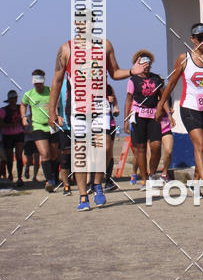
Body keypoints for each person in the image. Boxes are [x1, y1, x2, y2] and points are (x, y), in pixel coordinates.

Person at [48, 38, 143, 211]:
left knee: (105, 147)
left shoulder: (105, 45)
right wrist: (52, 110)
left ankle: (97, 183)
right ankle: (83, 195)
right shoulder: (66, 49)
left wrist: (131, 71)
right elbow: (57, 80)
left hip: (100, 106)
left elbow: (114, 72)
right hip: (77, 108)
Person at [155, 24, 203, 187]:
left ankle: (195, 182)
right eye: (200, 38)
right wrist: (160, 106)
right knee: (200, 144)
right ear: (192, 39)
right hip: (190, 108)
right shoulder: (184, 58)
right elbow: (171, 84)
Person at [123, 52, 164, 187]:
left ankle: (152, 173)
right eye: (144, 64)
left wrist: (167, 113)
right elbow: (128, 99)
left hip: (153, 115)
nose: (146, 66)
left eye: (148, 64)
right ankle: (144, 178)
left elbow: (162, 97)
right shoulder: (133, 80)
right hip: (138, 115)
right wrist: (125, 120)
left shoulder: (156, 78)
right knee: (140, 148)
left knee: (156, 145)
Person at [21, 71, 59, 193]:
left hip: (52, 126)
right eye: (36, 83)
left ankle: (54, 176)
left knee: (54, 154)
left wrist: (58, 115)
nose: (38, 85)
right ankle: (49, 181)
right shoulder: (29, 94)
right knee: (44, 153)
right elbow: (23, 105)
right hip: (38, 126)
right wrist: (23, 117)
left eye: (40, 83)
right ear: (33, 82)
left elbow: (58, 103)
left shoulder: (50, 91)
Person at [0, 90, 25, 187]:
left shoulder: (20, 108)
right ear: (9, 99)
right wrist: (10, 125)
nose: (13, 100)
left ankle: (19, 177)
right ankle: (10, 175)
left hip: (19, 133)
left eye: (14, 98)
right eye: (11, 98)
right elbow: (1, 123)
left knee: (19, 156)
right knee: (9, 157)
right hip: (8, 134)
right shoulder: (3, 110)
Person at [159, 94, 176, 181]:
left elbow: (169, 108)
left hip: (166, 126)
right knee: (153, 152)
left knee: (169, 151)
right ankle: (150, 175)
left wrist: (170, 113)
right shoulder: (150, 94)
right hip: (153, 125)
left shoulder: (167, 94)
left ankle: (164, 173)